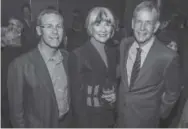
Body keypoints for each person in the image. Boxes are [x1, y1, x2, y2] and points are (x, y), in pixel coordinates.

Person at [117, 1, 181, 128]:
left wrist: (158, 114)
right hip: (120, 119)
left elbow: (173, 93)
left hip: (146, 122)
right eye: (139, 21)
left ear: (156, 27)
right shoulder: (125, 44)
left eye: (148, 23)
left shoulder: (168, 57)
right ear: (132, 23)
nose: (142, 28)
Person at [7, 8, 71, 128]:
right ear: (39, 30)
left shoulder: (68, 58)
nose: (55, 31)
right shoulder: (20, 65)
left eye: (59, 26)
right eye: (49, 26)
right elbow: (16, 115)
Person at [68, 7, 118, 127]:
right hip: (89, 121)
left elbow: (111, 81)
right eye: (98, 24)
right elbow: (77, 101)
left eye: (107, 24)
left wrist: (115, 96)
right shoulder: (78, 55)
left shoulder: (112, 52)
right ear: (90, 27)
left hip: (108, 118)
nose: (103, 29)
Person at [1, 16, 24, 128]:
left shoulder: (21, 54)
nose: (7, 29)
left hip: (15, 102)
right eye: (8, 26)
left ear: (18, 32)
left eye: (12, 27)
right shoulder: (5, 50)